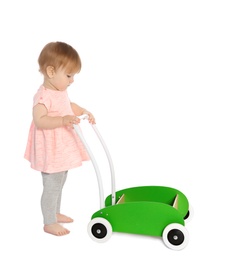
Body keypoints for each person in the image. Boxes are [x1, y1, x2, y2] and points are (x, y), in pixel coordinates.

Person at [24, 41, 95, 236]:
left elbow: (68, 105)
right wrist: (62, 119)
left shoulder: (60, 90)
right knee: (52, 184)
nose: (72, 80)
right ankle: (49, 222)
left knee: (61, 180)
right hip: (50, 149)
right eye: (69, 75)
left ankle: (54, 212)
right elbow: (40, 120)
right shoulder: (42, 97)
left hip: (61, 148)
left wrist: (83, 111)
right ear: (51, 71)